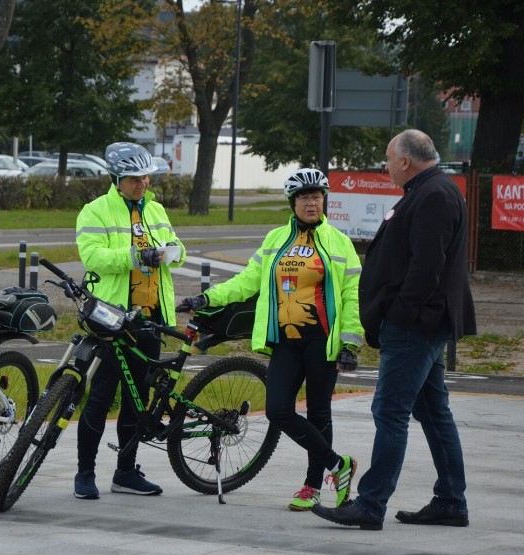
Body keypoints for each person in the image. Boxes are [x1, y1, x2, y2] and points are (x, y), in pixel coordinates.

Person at [311, 129, 477, 531]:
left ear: (405, 161)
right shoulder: (430, 189)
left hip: (416, 326)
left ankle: (370, 505)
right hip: (423, 323)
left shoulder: (434, 194)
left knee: (390, 412)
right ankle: (451, 501)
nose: (386, 167)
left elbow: (426, 267)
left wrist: (400, 315)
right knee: (433, 412)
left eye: (388, 159)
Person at [179, 168, 363, 512]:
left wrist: (350, 343)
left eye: (317, 196)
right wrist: (207, 298)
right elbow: (247, 281)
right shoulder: (276, 238)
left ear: (325, 200)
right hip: (285, 341)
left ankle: (311, 486)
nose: (312, 203)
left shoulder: (340, 243)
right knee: (278, 410)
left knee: (320, 412)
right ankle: (339, 466)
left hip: (322, 341)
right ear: (292, 203)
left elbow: (352, 295)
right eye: (305, 198)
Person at [73, 141, 186, 499]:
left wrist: (170, 253)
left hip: (149, 319)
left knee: (137, 398)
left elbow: (178, 250)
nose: (142, 184)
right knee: (101, 397)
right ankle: (85, 473)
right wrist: (137, 257)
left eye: (145, 177)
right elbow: (93, 257)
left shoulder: (156, 210)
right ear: (116, 179)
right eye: (134, 178)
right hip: (113, 318)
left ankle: (125, 472)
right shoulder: (95, 211)